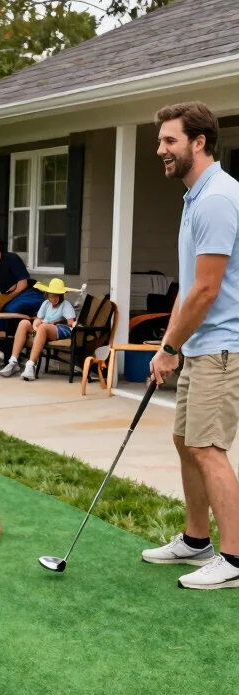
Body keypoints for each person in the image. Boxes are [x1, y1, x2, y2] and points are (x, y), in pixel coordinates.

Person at [143, 102, 239, 590]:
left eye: (169, 141)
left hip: (224, 345)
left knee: (207, 446)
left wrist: (171, 349)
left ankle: (236, 559)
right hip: (201, 344)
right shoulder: (194, 197)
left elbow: (208, 289)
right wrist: (168, 345)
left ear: (198, 142)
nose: (160, 149)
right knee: (186, 441)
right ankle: (196, 540)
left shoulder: (218, 197)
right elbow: (188, 284)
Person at [0, 232, 43, 366]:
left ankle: (11, 355)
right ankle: (2, 353)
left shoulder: (11, 259)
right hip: (8, 300)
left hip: (30, 294)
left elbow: (22, 284)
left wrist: (6, 298)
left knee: (10, 309)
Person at [0, 278, 76, 380]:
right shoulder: (45, 304)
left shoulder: (65, 305)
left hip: (59, 329)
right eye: (52, 295)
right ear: (47, 294)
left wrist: (48, 324)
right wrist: (35, 327)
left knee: (43, 327)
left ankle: (30, 365)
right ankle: (13, 362)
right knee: (24, 323)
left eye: (57, 295)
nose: (55, 298)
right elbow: (38, 319)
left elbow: (70, 322)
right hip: (42, 328)